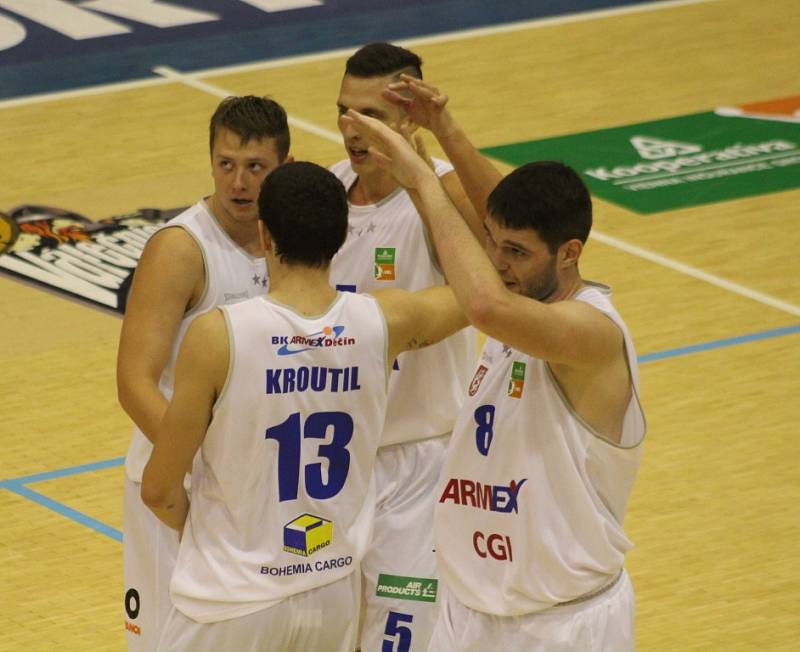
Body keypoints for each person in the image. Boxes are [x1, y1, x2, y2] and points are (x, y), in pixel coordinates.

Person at [342, 99, 647, 651]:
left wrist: (422, 182)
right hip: (469, 613)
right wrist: (448, 132)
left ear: (570, 253)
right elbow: (494, 228)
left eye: (515, 252)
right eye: (493, 245)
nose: (497, 262)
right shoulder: (523, 295)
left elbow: (484, 305)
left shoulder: (591, 333)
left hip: (559, 626)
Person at [140, 161, 468, 651]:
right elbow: (483, 293)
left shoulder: (217, 334)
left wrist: (223, 539)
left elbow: (160, 490)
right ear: (340, 237)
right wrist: (423, 177)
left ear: (265, 234)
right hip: (330, 595)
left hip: (230, 598)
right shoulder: (386, 321)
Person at [116, 95, 291, 651]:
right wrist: (201, 461)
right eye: (225, 164)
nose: (238, 182)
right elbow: (134, 382)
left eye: (255, 167)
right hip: (179, 486)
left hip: (257, 490)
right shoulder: (180, 249)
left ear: (283, 167)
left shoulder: (291, 240)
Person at [330, 42, 480, 652]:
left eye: (372, 116)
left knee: (401, 637)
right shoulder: (321, 193)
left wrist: (442, 143)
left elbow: (500, 247)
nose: (352, 130)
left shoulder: (442, 199)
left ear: (411, 118)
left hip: (418, 465)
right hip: (332, 463)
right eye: (344, 111)